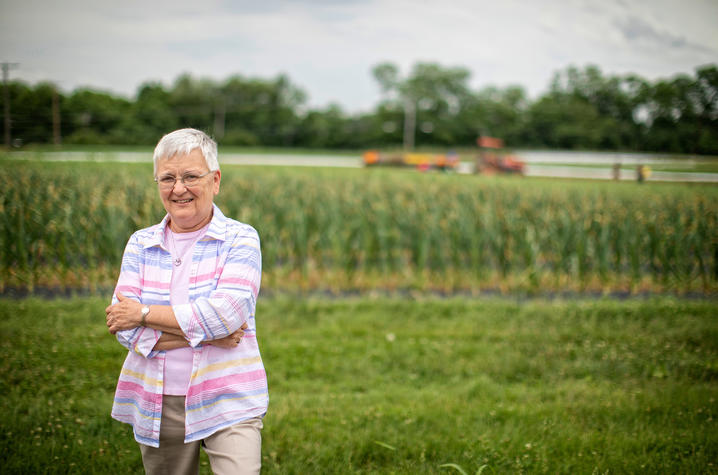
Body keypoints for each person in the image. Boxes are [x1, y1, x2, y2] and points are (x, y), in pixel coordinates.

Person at [105, 128, 267, 475]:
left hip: (229, 394)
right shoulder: (140, 244)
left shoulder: (241, 238)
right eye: (167, 178)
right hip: (158, 398)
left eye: (191, 176)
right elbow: (123, 328)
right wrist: (209, 335)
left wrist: (144, 314)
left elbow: (226, 315)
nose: (178, 188)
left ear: (216, 180)